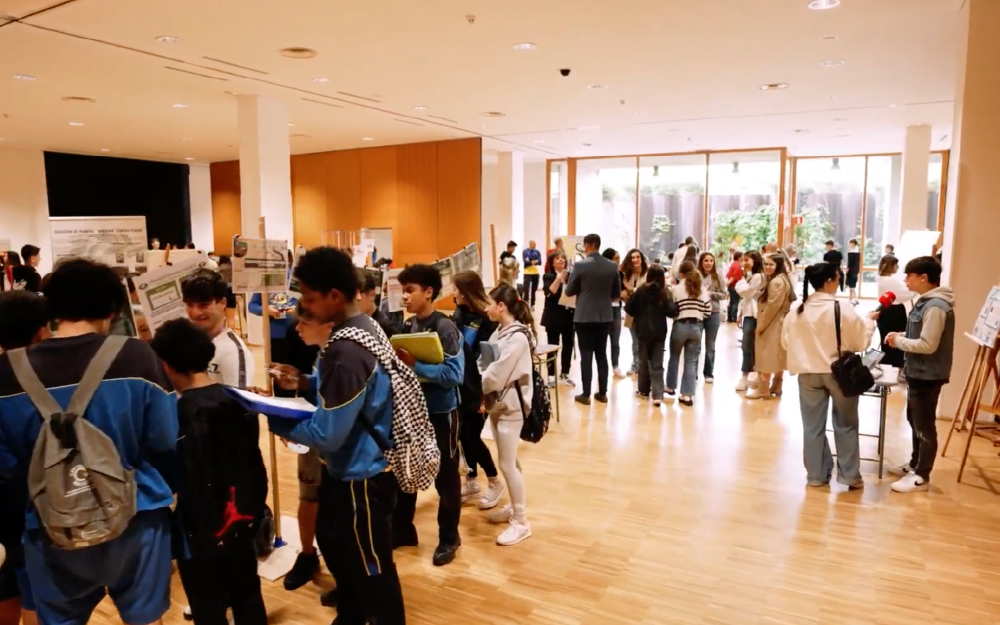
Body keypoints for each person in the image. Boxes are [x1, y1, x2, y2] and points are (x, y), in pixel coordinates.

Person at [0, 258, 177, 625]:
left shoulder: (6, 374)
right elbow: (163, 437)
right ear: (113, 311)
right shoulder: (136, 357)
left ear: (50, 309)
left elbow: (8, 467)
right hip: (136, 515)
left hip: (50, 525)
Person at [266, 247, 405, 625]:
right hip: (351, 471)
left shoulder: (345, 349)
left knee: (373, 569)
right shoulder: (363, 325)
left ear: (335, 296)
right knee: (347, 557)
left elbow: (327, 433)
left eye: (310, 299)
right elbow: (352, 394)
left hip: (363, 476)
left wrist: (274, 418)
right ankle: (351, 615)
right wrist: (307, 381)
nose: (305, 307)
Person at [149, 319, 268, 625]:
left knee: (207, 606)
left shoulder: (179, 415)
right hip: (242, 519)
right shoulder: (238, 401)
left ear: (165, 364)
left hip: (199, 533)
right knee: (248, 594)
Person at [782, 262, 876, 489]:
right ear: (828, 281)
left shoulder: (797, 310)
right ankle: (850, 476)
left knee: (812, 427)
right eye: (837, 277)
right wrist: (870, 323)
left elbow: (786, 342)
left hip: (807, 373)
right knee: (846, 424)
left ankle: (816, 475)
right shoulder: (841, 308)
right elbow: (860, 342)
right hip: (839, 373)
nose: (839, 281)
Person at [394, 264, 464, 566]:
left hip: (441, 413)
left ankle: (449, 537)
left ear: (429, 292)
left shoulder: (446, 328)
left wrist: (415, 367)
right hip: (413, 413)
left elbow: (455, 374)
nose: (405, 297)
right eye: (403, 291)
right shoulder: (408, 327)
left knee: (446, 478)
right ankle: (403, 529)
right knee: (406, 470)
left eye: (410, 290)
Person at [884, 256, 955, 493]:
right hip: (918, 372)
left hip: (927, 374)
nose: (905, 280)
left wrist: (899, 341)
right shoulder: (926, 303)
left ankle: (921, 475)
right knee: (914, 420)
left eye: (909, 276)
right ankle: (915, 464)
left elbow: (928, 344)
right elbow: (923, 333)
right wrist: (902, 333)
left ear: (923, 278)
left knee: (924, 426)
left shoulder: (935, 306)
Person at [0, 292, 49, 625]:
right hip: (38, 506)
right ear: (41, 331)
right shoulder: (54, 378)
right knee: (36, 593)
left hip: (4, 505)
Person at [479, 284, 535, 546]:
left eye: (490, 303)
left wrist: (472, 383)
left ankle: (521, 521)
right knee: (509, 461)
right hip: (497, 405)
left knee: (506, 464)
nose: (486, 308)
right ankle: (515, 506)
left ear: (502, 306)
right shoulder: (499, 332)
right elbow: (485, 363)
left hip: (511, 407)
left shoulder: (518, 337)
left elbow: (497, 373)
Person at [451, 271, 503, 509]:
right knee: (462, 435)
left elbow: (487, 355)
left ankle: (494, 481)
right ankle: (471, 480)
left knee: (472, 435)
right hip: (460, 386)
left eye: (455, 289)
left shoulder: (488, 319)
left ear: (464, 291)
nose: (452, 293)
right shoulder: (459, 314)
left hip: (481, 390)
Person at [564, 233, 621, 406]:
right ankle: (602, 393)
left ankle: (586, 393)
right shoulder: (612, 266)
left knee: (586, 354)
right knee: (602, 354)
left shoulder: (580, 266)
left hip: (584, 316)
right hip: (605, 316)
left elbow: (569, 291)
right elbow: (616, 294)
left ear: (587, 246)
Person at [182, 269, 255, 389]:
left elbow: (236, 404)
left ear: (222, 302)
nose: (195, 313)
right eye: (190, 305)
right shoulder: (187, 343)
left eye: (204, 305)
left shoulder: (232, 351)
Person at [747, 254, 793, 400]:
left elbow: (772, 306)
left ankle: (763, 388)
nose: (767, 267)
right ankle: (777, 385)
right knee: (778, 355)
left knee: (767, 355)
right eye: (765, 264)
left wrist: (760, 326)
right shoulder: (783, 279)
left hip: (772, 323)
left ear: (777, 265)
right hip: (781, 321)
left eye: (770, 264)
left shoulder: (776, 282)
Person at [625, 265, 673, 406]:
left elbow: (629, 308)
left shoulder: (640, 290)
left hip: (643, 330)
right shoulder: (665, 292)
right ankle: (657, 395)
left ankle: (643, 391)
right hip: (659, 331)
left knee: (643, 361)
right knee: (657, 363)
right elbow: (672, 311)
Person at [665, 261, 710, 406]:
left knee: (674, 357)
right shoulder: (702, 289)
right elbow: (708, 311)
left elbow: (672, 310)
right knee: (691, 361)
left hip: (680, 325)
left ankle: (670, 387)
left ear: (681, 274)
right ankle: (687, 395)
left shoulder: (676, 289)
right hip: (696, 326)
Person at [541, 251, 576, 387]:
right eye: (557, 258)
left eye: (563, 258)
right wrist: (559, 278)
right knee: (552, 345)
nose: (561, 260)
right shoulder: (548, 276)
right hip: (553, 316)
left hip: (568, 315)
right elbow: (550, 292)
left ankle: (565, 373)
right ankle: (550, 375)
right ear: (552, 262)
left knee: (568, 345)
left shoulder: (571, 276)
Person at [874, 255, 915, 368]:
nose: (897, 267)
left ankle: (887, 365)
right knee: (896, 339)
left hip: (884, 309)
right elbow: (903, 295)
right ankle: (896, 365)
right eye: (896, 265)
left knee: (885, 339)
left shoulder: (879, 277)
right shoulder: (891, 280)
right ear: (891, 266)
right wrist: (916, 290)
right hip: (894, 312)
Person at [249, 288, 298, 378]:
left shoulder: (296, 278)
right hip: (276, 336)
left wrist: (300, 309)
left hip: (301, 335)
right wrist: (265, 310)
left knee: (301, 373)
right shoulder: (267, 278)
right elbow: (252, 306)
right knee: (279, 375)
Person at [735, 251, 765, 392]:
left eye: (747, 260)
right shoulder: (750, 276)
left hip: (755, 314)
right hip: (748, 313)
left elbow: (746, 292)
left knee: (749, 345)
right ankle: (747, 375)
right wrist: (740, 312)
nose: (744, 263)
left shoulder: (758, 276)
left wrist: (740, 283)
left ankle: (750, 376)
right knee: (747, 345)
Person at [620, 248, 648, 376]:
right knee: (635, 340)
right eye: (633, 258)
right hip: (631, 311)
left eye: (638, 257)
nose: (635, 260)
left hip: (646, 312)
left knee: (644, 340)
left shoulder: (647, 274)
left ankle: (644, 365)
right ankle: (635, 364)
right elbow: (623, 293)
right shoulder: (626, 275)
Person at [698, 252, 725, 384]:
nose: (708, 263)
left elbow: (723, 294)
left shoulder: (717, 277)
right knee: (696, 344)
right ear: (701, 262)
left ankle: (708, 373)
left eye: (711, 261)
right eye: (706, 261)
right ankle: (693, 373)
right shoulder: (696, 276)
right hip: (698, 312)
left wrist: (710, 294)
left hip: (713, 313)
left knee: (710, 345)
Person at [602, 248, 625, 378]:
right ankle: (603, 366)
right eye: (616, 258)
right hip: (605, 308)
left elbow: (624, 291)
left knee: (615, 340)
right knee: (603, 340)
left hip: (616, 309)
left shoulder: (620, 274)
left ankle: (615, 366)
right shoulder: (602, 274)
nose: (618, 261)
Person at [522, 240, 542, 308]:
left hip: (535, 272)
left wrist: (531, 261)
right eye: (533, 244)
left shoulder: (537, 252)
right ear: (530, 244)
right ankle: (526, 303)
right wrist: (533, 261)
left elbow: (540, 262)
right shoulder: (525, 251)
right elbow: (526, 262)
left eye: (535, 244)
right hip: (527, 272)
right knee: (526, 289)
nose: (534, 245)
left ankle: (532, 304)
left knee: (534, 289)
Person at [725, 250, 744, 323]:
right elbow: (734, 276)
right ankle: (734, 318)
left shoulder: (733, 264)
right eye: (742, 256)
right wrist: (729, 282)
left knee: (731, 302)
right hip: (735, 285)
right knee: (735, 302)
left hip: (731, 286)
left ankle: (729, 317)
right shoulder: (737, 265)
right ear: (739, 257)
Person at [846, 238, 861, 304]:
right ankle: (853, 299)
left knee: (851, 286)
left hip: (851, 271)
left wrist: (848, 269)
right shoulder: (857, 252)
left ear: (854, 244)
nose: (849, 245)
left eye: (850, 243)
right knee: (852, 286)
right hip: (855, 271)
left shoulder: (852, 252)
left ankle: (853, 299)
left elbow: (850, 263)